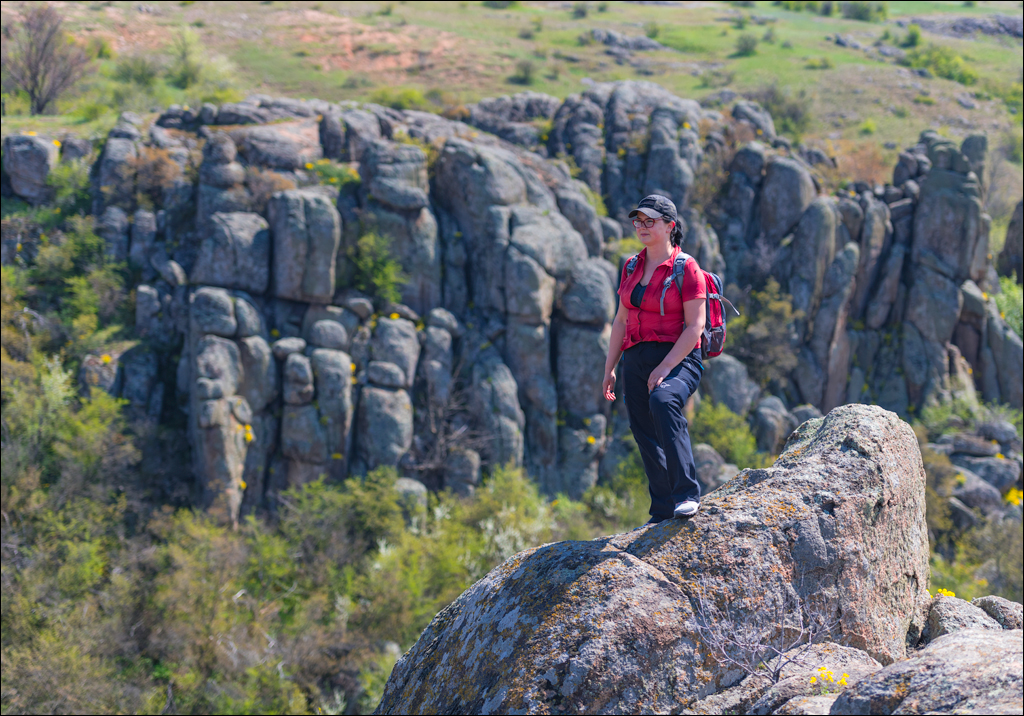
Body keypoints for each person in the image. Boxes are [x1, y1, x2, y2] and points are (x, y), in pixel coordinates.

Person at [602, 194, 707, 524]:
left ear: (669, 226)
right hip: (635, 357)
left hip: (680, 355)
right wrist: (610, 369)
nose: (642, 227)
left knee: (664, 401)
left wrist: (665, 367)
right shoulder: (631, 266)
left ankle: (686, 494)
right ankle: (662, 508)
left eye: (650, 221)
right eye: (638, 221)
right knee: (642, 427)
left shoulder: (686, 267)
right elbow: (620, 320)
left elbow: (696, 327)